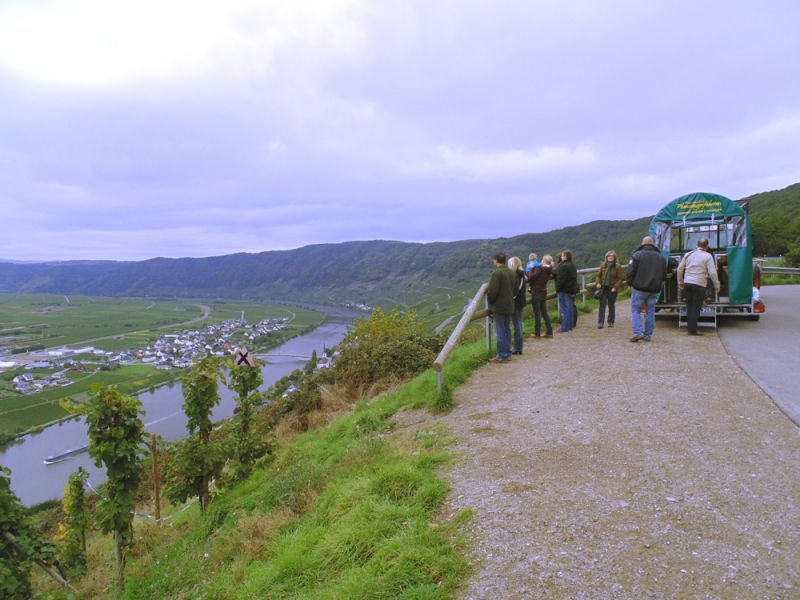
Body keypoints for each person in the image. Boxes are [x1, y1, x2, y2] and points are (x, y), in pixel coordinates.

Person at [626, 236, 666, 342]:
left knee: (636, 310)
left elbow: (630, 271)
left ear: (643, 244)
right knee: (650, 312)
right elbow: (663, 275)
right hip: (654, 290)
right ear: (652, 244)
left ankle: (638, 332)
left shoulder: (637, 255)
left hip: (639, 288)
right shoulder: (661, 257)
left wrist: (629, 283)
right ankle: (648, 335)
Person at [677, 238, 720, 336]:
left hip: (687, 284)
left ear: (697, 245)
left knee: (690, 306)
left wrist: (680, 282)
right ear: (707, 246)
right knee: (696, 308)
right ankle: (693, 330)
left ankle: (690, 328)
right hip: (699, 284)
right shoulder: (708, 256)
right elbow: (712, 272)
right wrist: (716, 285)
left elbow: (680, 269)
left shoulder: (688, 254)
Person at [487, 252, 515, 362]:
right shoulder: (511, 272)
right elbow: (515, 288)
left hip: (499, 306)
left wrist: (491, 303)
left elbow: (492, 291)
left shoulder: (496, 273)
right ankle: (507, 353)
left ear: (496, 260)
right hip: (509, 305)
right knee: (507, 329)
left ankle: (502, 355)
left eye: (494, 260)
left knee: (499, 331)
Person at [595, 250, 624, 329]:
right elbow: (598, 276)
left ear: (614, 257)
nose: (610, 257)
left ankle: (611, 321)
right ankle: (600, 322)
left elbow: (620, 278)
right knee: (602, 305)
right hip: (603, 288)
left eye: (612, 256)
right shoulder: (603, 266)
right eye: (609, 256)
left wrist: (615, 287)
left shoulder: (617, 267)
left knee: (611, 305)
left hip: (612, 289)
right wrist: (598, 283)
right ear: (606, 257)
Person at [527, 254, 554, 338]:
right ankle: (549, 332)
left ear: (543, 260)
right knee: (544, 312)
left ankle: (537, 333)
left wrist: (531, 269)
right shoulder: (549, 269)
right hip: (543, 291)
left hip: (536, 292)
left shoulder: (541, 268)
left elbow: (531, 277)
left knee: (537, 313)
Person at [554, 250, 579, 332]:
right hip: (572, 289)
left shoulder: (563, 266)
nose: (561, 257)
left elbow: (561, 279)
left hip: (564, 290)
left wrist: (557, 288)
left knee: (565, 309)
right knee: (570, 308)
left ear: (566, 256)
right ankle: (570, 325)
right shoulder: (572, 265)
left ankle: (565, 327)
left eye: (562, 255)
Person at [508, 256, 527, 354]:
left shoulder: (516, 275)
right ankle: (519, 347)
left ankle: (517, 348)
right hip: (521, 302)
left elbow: (514, 291)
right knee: (519, 324)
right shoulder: (522, 274)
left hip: (516, 303)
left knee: (517, 325)